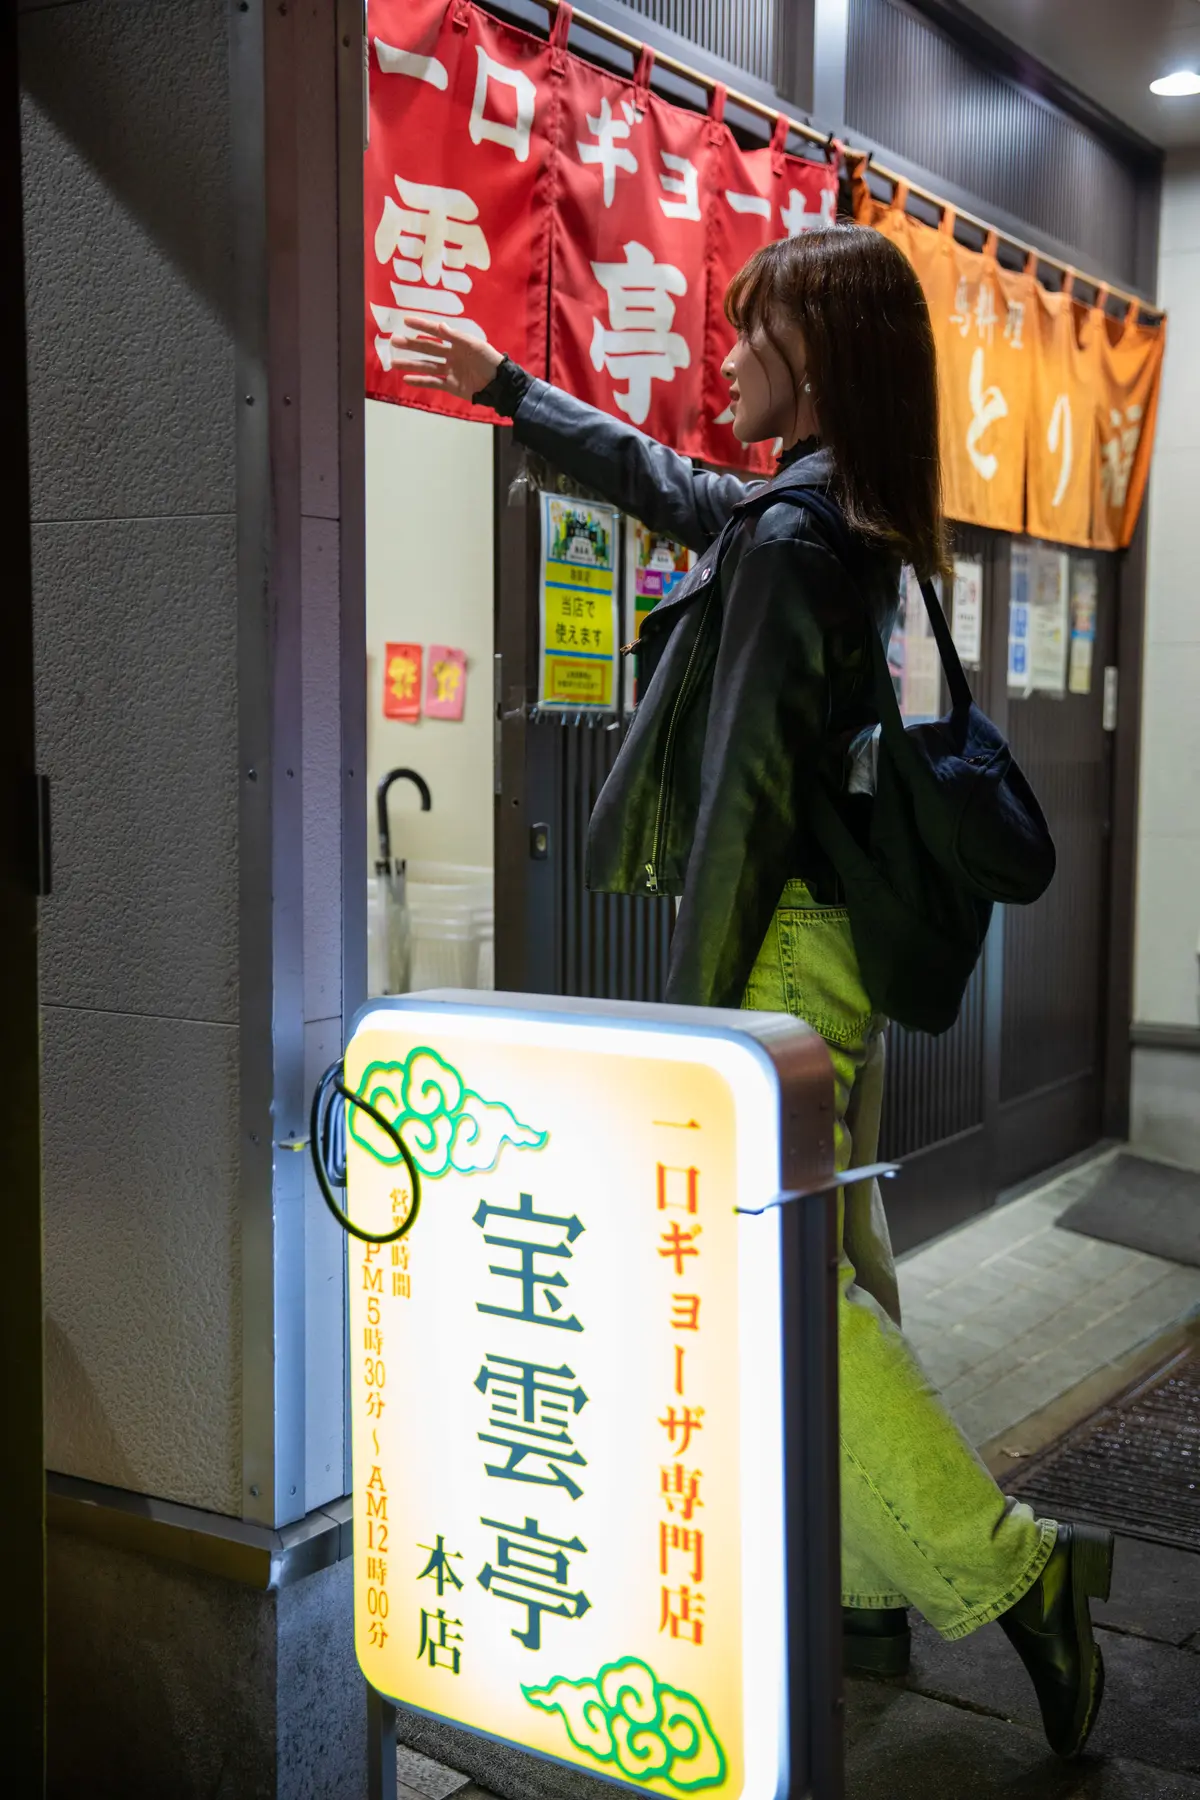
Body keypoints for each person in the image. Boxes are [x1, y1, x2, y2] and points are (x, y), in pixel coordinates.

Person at [388, 222, 1112, 1761]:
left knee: (795, 1292)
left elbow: (742, 806)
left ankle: (1020, 1571)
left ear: (816, 356)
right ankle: (860, 1581)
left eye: (748, 334)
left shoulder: (796, 544)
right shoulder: (840, 516)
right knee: (837, 1234)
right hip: (839, 942)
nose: (723, 361)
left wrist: (689, 1033)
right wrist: (518, 390)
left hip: (781, 944)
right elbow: (684, 492)